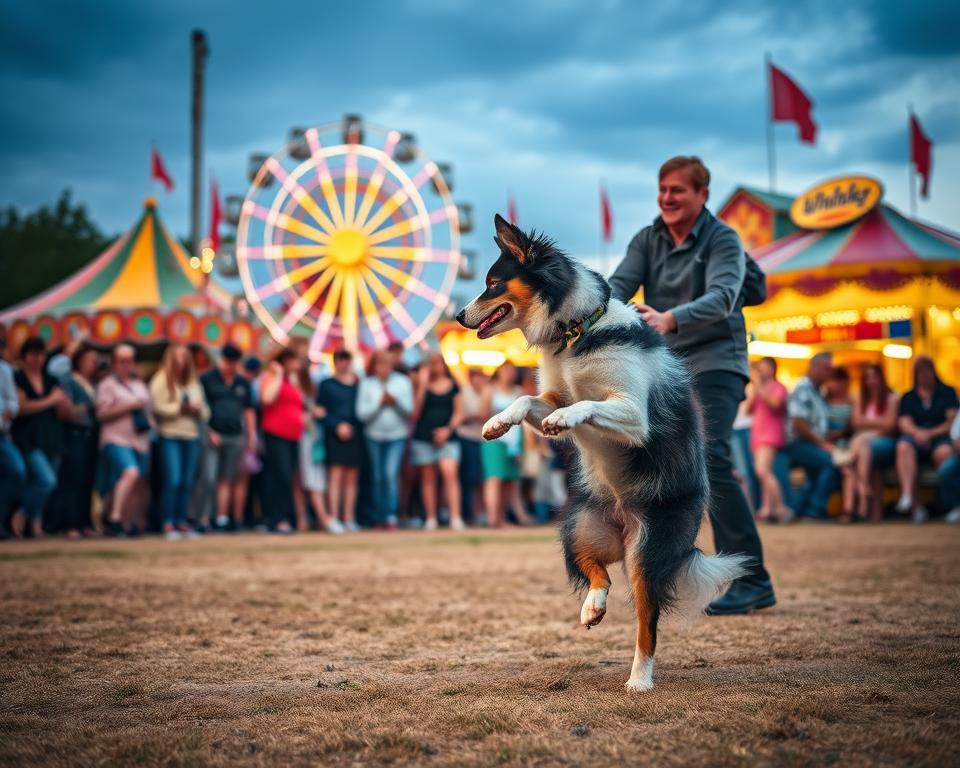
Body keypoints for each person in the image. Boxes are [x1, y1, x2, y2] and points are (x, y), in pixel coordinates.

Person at [608, 155, 774, 614]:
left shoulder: (723, 238)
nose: (667, 198)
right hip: (667, 366)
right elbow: (617, 286)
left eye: (678, 190)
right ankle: (672, 568)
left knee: (709, 454)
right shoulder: (648, 238)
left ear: (702, 195)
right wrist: (581, 312)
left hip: (718, 359)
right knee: (666, 464)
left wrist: (669, 318)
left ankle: (753, 579)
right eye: (662, 189)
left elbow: (724, 297)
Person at [150, 344, 208, 539]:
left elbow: (206, 411)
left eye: (185, 356)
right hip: (169, 435)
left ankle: (181, 521)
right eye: (178, 356)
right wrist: (179, 408)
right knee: (172, 480)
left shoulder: (193, 382)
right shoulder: (161, 379)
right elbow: (157, 407)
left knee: (186, 481)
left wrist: (197, 409)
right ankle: (167, 522)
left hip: (191, 435)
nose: (181, 360)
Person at [95, 344, 153, 536]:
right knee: (131, 473)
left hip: (140, 441)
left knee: (137, 482)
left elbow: (148, 411)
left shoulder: (139, 385)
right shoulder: (107, 385)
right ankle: (114, 518)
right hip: (115, 438)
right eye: (122, 361)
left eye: (130, 360)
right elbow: (101, 414)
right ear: (114, 363)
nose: (127, 365)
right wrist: (130, 405)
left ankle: (128, 523)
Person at [11, 337, 66, 538]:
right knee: (46, 480)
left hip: (52, 436)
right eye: (33, 354)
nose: (38, 359)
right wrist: (50, 400)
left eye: (41, 354)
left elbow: (62, 410)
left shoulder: (51, 379)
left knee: (48, 482)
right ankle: (23, 513)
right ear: (25, 356)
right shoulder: (17, 378)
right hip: (28, 438)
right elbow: (20, 408)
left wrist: (61, 403)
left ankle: (36, 525)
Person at [200, 343, 258, 531]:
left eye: (233, 362)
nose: (230, 366)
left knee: (227, 478)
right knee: (208, 478)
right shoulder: (207, 379)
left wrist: (251, 436)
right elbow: (201, 409)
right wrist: (209, 431)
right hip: (213, 434)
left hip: (235, 435)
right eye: (227, 361)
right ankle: (204, 519)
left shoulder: (243, 383)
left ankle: (222, 519)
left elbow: (249, 411)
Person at [894, 356, 958, 523]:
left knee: (944, 453)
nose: (923, 376)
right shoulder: (908, 397)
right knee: (903, 447)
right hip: (916, 439)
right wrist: (918, 433)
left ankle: (948, 504)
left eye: (926, 371)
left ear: (933, 371)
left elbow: (951, 421)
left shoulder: (947, 392)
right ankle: (912, 501)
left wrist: (930, 433)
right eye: (919, 372)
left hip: (940, 438)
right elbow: (904, 423)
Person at [357, 349, 413, 530]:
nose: (383, 369)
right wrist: (378, 405)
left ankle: (390, 516)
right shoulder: (367, 384)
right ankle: (378, 516)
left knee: (390, 475)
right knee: (377, 476)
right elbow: (361, 414)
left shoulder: (403, 382)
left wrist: (395, 402)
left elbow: (409, 411)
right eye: (380, 365)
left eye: (387, 365)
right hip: (373, 436)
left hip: (397, 436)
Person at [411, 353, 465, 531]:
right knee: (428, 478)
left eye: (437, 364)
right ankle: (431, 518)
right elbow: (415, 413)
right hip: (424, 436)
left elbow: (459, 413)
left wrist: (447, 430)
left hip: (448, 437)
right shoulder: (421, 386)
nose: (435, 368)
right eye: (431, 364)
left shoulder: (453, 386)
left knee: (450, 474)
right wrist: (422, 385)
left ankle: (455, 517)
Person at [784, 352, 839, 520]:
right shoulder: (803, 389)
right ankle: (814, 510)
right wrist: (822, 444)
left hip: (810, 442)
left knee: (815, 475)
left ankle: (796, 510)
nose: (829, 373)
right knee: (830, 464)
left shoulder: (816, 391)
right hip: (799, 442)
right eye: (826, 368)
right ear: (813, 367)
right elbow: (799, 423)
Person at [55, 344, 101, 539]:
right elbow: (66, 413)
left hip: (91, 435)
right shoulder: (69, 382)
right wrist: (90, 406)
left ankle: (84, 522)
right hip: (74, 435)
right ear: (79, 361)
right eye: (90, 360)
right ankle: (71, 524)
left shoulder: (93, 383)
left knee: (87, 481)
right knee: (73, 479)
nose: (94, 364)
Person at [480, 362, 533, 528]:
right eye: (506, 369)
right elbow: (483, 415)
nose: (509, 373)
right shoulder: (490, 390)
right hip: (494, 440)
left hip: (514, 443)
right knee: (494, 478)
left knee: (509, 480)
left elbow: (525, 422)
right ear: (499, 371)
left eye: (512, 370)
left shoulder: (519, 393)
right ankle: (492, 518)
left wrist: (523, 446)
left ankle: (501, 519)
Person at [844, 364, 900, 523]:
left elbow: (891, 426)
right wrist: (879, 425)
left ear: (881, 377)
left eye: (874, 376)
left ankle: (861, 497)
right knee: (864, 452)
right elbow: (856, 423)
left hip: (884, 443)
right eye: (867, 378)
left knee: (859, 448)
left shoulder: (892, 398)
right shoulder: (859, 397)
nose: (871, 381)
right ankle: (867, 500)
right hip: (865, 444)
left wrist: (868, 429)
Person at [259, 349, 305, 534]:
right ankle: (277, 518)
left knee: (288, 477)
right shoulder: (271, 377)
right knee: (280, 476)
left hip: (293, 435)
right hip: (275, 433)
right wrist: (278, 374)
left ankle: (285, 517)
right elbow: (267, 398)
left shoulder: (293, 381)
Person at [318, 349, 362, 532]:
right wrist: (336, 426)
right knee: (335, 476)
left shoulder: (358, 384)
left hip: (356, 434)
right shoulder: (326, 384)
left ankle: (349, 517)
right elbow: (320, 412)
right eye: (340, 359)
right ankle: (334, 517)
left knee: (352, 477)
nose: (343, 363)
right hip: (334, 435)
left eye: (346, 359)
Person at [745, 357, 791, 523]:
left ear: (772, 369)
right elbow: (748, 410)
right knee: (764, 473)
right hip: (758, 434)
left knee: (762, 471)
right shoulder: (758, 388)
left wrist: (758, 386)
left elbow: (775, 405)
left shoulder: (779, 387)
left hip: (770, 435)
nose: (761, 371)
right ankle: (767, 509)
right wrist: (755, 389)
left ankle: (781, 508)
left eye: (764, 367)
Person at [0, 333, 26, 536]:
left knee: (17, 472)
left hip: (3, 433)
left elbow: (13, 401)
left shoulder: (5, 370)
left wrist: (11, 410)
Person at [457, 367, 488, 524]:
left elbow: (483, 414)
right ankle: (470, 513)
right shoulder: (464, 392)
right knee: (468, 478)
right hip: (467, 438)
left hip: (482, 439)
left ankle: (479, 513)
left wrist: (472, 416)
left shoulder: (486, 392)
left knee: (480, 478)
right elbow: (461, 416)